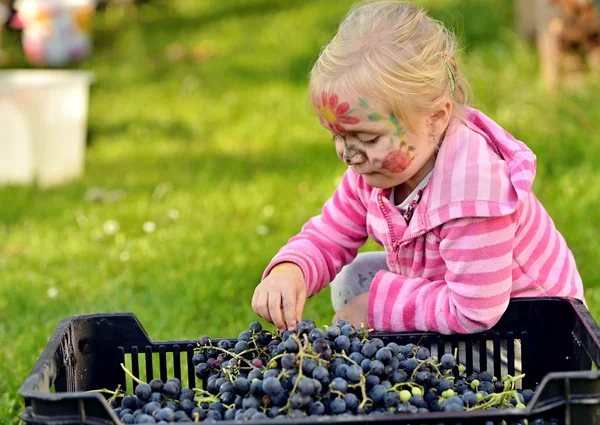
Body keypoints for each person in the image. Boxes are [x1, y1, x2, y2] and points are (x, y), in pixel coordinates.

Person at [252, 0, 585, 337]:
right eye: (338, 135)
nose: (349, 154)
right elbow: (330, 233)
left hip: (529, 334)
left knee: (368, 300)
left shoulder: (473, 192)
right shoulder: (376, 172)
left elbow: (474, 311)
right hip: (469, 302)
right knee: (354, 277)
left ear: (436, 117)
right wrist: (290, 268)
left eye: (366, 137)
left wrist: (374, 310)